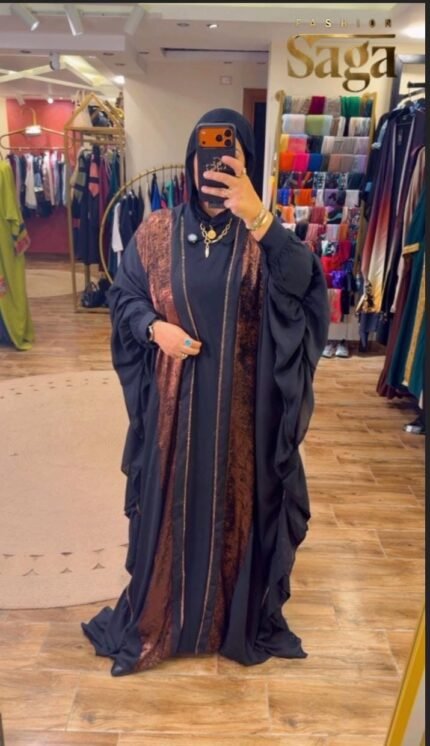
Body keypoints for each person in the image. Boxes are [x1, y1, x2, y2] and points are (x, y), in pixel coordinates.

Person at [81, 108, 329, 677]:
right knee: (170, 511)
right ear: (191, 162)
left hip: (240, 420)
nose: (213, 167)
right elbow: (125, 296)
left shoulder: (262, 235)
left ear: (245, 163)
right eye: (204, 155)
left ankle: (226, 624)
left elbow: (306, 288)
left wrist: (259, 216)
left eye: (228, 155)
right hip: (172, 412)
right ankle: (165, 619)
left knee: (235, 513)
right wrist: (153, 329)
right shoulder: (156, 230)